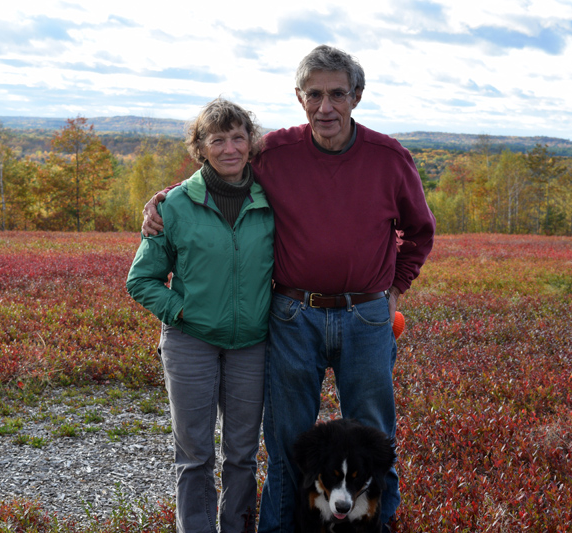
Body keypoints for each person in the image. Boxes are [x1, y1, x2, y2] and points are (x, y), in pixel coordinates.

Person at [143, 45, 436, 532]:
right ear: (299, 97)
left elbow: (419, 232)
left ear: (356, 97)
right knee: (285, 443)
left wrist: (396, 289)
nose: (326, 107)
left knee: (377, 439)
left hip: (366, 316)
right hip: (292, 315)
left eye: (337, 94)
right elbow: (220, 168)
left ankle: (377, 526)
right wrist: (164, 199)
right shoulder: (274, 153)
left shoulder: (389, 158)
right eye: (315, 95)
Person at [127, 98, 274, 533]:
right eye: (217, 140)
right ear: (201, 148)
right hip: (190, 343)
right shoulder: (173, 206)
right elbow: (142, 280)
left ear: (250, 142)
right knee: (194, 456)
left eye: (238, 137)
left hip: (251, 344)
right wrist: (182, 311)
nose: (229, 148)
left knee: (243, 456)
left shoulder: (271, 201)